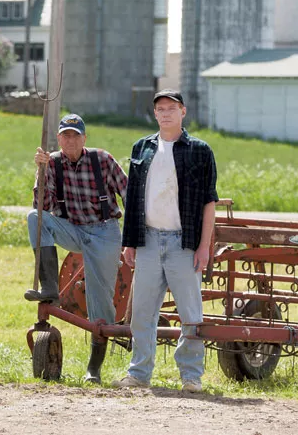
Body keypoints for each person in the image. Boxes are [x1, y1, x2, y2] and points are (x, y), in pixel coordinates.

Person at [114, 90, 218, 393]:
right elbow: (133, 198)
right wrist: (130, 242)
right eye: (160, 109)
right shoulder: (142, 147)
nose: (166, 113)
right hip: (147, 239)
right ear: (155, 114)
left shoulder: (199, 150)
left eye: (172, 108)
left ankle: (190, 375)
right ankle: (139, 373)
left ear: (183, 112)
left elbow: (208, 202)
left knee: (190, 312)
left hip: (182, 242)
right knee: (143, 312)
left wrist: (203, 246)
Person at [25, 113, 128, 384]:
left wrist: (134, 237)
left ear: (84, 138)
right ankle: (49, 288)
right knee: (34, 218)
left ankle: (94, 368)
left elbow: (129, 193)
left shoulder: (102, 160)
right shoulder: (53, 162)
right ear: (58, 139)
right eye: (65, 136)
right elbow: (42, 206)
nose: (70, 140)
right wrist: (42, 170)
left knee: (100, 300)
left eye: (75, 135)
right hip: (72, 228)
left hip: (104, 231)